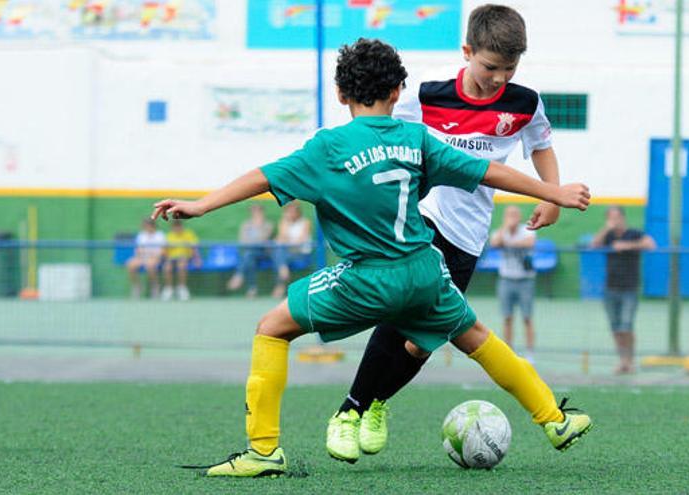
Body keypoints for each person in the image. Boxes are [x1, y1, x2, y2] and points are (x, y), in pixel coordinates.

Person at [152, 38, 592, 477]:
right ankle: (554, 420)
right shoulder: (416, 138)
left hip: (365, 280)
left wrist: (201, 205)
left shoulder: (328, 148)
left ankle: (264, 451)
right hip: (424, 273)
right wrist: (554, 192)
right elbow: (490, 172)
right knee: (477, 336)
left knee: (271, 329)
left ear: (341, 95)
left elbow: (261, 178)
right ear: (399, 91)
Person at [328, 4, 566, 462]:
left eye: (509, 68)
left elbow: (542, 146)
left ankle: (375, 403)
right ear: (467, 52)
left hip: (470, 236)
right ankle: (350, 410)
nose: (499, 78)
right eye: (490, 67)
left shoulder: (524, 103)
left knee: (421, 340)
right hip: (423, 218)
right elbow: (379, 128)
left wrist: (550, 196)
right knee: (401, 308)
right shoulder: (427, 92)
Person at [591, 206, 656, 374]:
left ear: (623, 217)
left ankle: (630, 360)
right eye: (611, 217)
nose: (614, 220)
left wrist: (626, 245)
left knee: (626, 326)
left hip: (630, 288)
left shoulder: (634, 233)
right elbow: (594, 245)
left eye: (617, 217)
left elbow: (650, 244)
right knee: (615, 327)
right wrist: (607, 229)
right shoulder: (608, 236)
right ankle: (622, 361)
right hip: (610, 288)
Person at [490, 205, 537, 357]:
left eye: (515, 215)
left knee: (527, 317)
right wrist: (506, 227)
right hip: (506, 280)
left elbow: (529, 243)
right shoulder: (500, 232)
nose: (512, 218)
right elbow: (495, 243)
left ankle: (530, 353)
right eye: (509, 215)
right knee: (507, 317)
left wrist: (508, 243)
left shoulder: (527, 230)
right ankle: (509, 351)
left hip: (525, 280)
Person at [227, 204, 273, 298]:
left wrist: (258, 228)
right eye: (254, 212)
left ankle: (239, 275)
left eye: (258, 212)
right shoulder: (246, 224)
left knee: (248, 255)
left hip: (263, 253)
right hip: (250, 253)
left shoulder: (268, 224)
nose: (256, 214)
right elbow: (242, 241)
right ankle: (252, 289)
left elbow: (263, 240)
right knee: (249, 258)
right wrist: (254, 240)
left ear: (262, 212)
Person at [270, 202, 312, 298]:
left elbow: (299, 242)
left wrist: (286, 241)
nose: (291, 213)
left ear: (298, 212)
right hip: (287, 253)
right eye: (288, 212)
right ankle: (283, 269)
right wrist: (285, 222)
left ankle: (280, 283)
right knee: (278, 254)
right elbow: (281, 238)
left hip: (301, 254)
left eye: (293, 211)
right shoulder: (285, 222)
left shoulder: (305, 222)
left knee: (278, 255)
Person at [125, 217, 165, 299]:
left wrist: (154, 256)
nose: (147, 227)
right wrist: (140, 256)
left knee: (150, 265)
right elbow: (138, 250)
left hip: (156, 258)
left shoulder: (160, 235)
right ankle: (137, 287)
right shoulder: (141, 235)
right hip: (142, 257)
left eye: (149, 225)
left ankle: (155, 287)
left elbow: (162, 251)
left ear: (153, 226)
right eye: (145, 225)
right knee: (130, 264)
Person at [162, 219, 201, 301]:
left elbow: (194, 248)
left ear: (181, 226)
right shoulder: (169, 236)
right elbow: (164, 252)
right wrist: (166, 257)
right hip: (171, 258)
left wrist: (197, 259)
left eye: (179, 226)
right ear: (172, 227)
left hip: (186, 258)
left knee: (182, 265)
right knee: (167, 267)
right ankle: (169, 288)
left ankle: (182, 288)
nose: (177, 228)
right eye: (175, 227)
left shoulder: (189, 234)